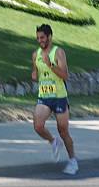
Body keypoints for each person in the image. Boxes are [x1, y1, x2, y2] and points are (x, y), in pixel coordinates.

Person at [32, 24, 78, 175]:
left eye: (43, 37)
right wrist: (34, 75)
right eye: (38, 38)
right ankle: (53, 141)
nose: (40, 41)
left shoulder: (58, 52)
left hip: (59, 96)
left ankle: (73, 161)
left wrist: (50, 64)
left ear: (49, 37)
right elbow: (35, 71)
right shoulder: (36, 54)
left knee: (63, 130)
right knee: (38, 126)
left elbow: (65, 75)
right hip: (44, 96)